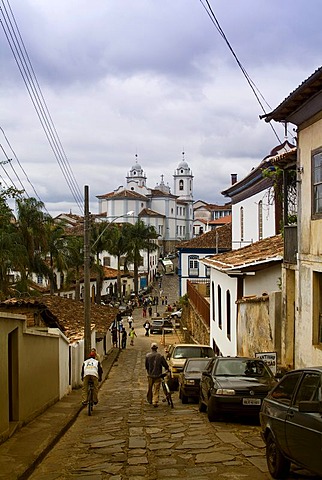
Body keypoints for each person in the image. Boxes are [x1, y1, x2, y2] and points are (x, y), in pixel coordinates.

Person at [145, 342, 169, 407]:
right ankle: (155, 401)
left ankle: (150, 399)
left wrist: (149, 371)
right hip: (158, 375)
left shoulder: (147, 356)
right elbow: (165, 365)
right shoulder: (160, 356)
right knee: (156, 389)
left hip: (150, 375)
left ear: (151, 348)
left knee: (150, 388)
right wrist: (167, 369)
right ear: (157, 348)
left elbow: (146, 366)